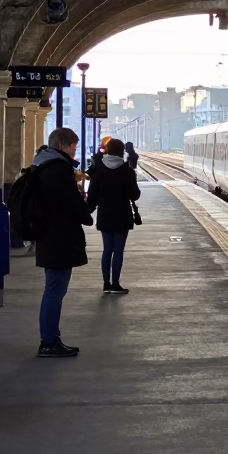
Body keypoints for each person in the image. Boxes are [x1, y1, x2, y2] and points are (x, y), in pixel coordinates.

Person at [30, 127, 94, 358]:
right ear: (62, 146)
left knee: (54, 289)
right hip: (58, 238)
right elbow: (74, 206)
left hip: (51, 237)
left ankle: (51, 337)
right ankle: (48, 342)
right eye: (73, 148)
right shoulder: (57, 169)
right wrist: (88, 207)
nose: (75, 153)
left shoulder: (43, 164)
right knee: (55, 290)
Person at [86, 137, 141, 294]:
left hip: (104, 213)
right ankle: (116, 284)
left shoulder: (99, 170)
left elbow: (92, 195)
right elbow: (134, 195)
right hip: (122, 214)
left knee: (107, 250)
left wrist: (86, 212)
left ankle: (106, 284)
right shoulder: (127, 171)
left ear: (107, 150)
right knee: (118, 251)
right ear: (121, 151)